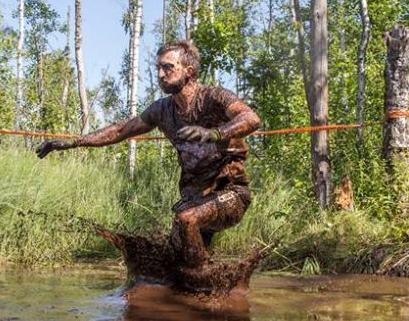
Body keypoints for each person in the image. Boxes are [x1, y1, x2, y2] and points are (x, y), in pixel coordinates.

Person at [37, 39, 262, 267]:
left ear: (189, 71)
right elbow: (121, 130)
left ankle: (199, 287)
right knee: (170, 259)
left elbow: (251, 118)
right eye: (158, 68)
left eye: (168, 67)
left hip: (232, 193)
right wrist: (76, 142)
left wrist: (214, 133)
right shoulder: (161, 110)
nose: (161, 74)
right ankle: (209, 287)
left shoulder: (215, 98)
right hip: (193, 199)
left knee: (187, 221)